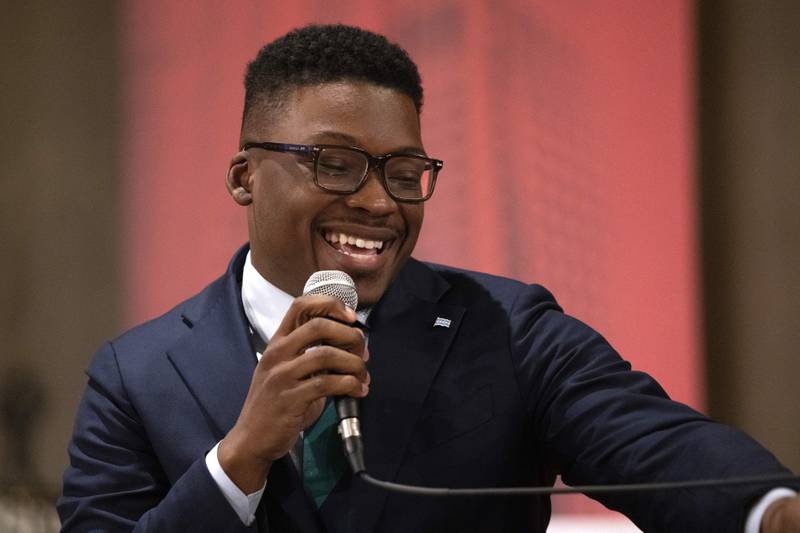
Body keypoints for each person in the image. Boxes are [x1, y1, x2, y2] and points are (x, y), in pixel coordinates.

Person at [58, 24, 800, 532]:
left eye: (404, 171)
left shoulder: (509, 327)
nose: (380, 202)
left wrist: (767, 508)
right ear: (245, 177)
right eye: (336, 163)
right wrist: (239, 456)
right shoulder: (136, 375)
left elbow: (655, 445)